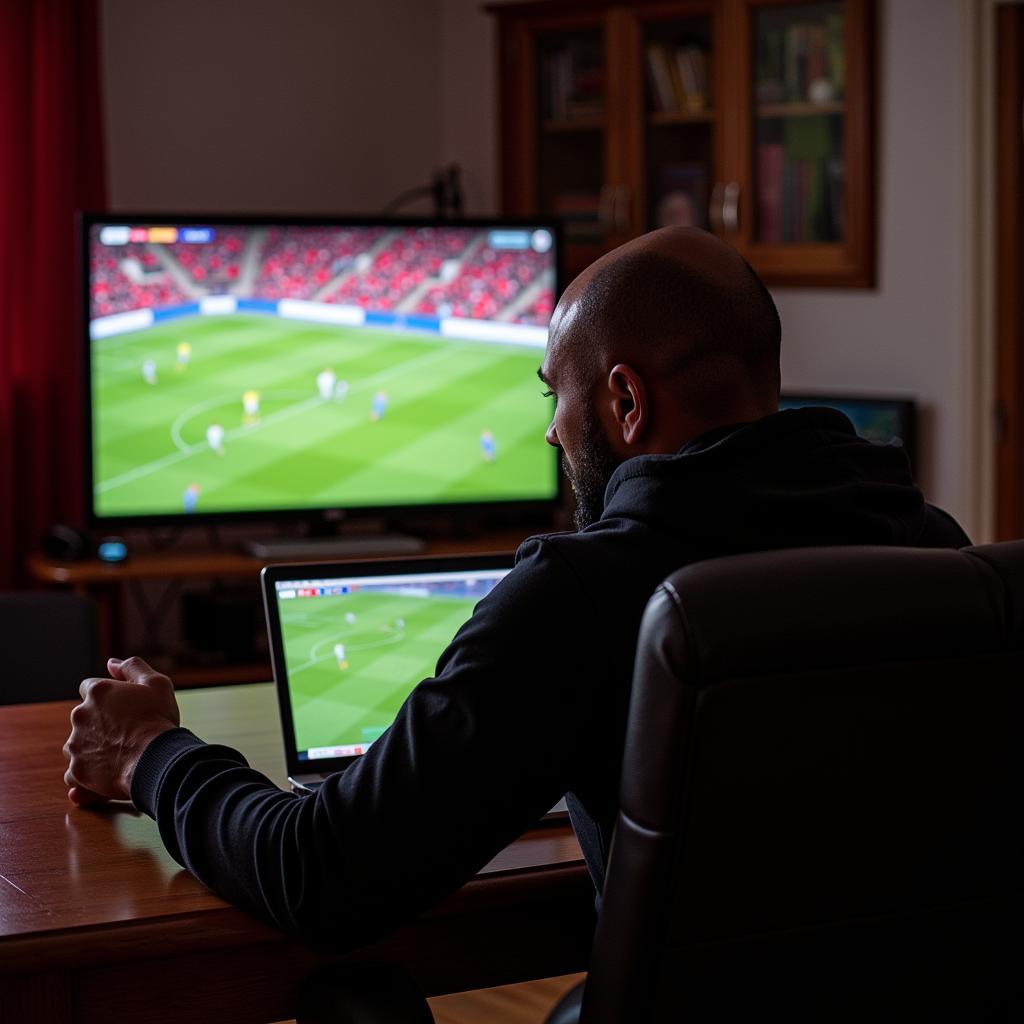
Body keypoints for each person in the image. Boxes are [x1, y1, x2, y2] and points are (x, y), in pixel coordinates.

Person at [63, 227, 969, 955]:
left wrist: (153, 755)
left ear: (625, 402)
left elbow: (321, 875)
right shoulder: (935, 548)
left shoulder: (583, 597)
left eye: (554, 398)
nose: (549, 435)